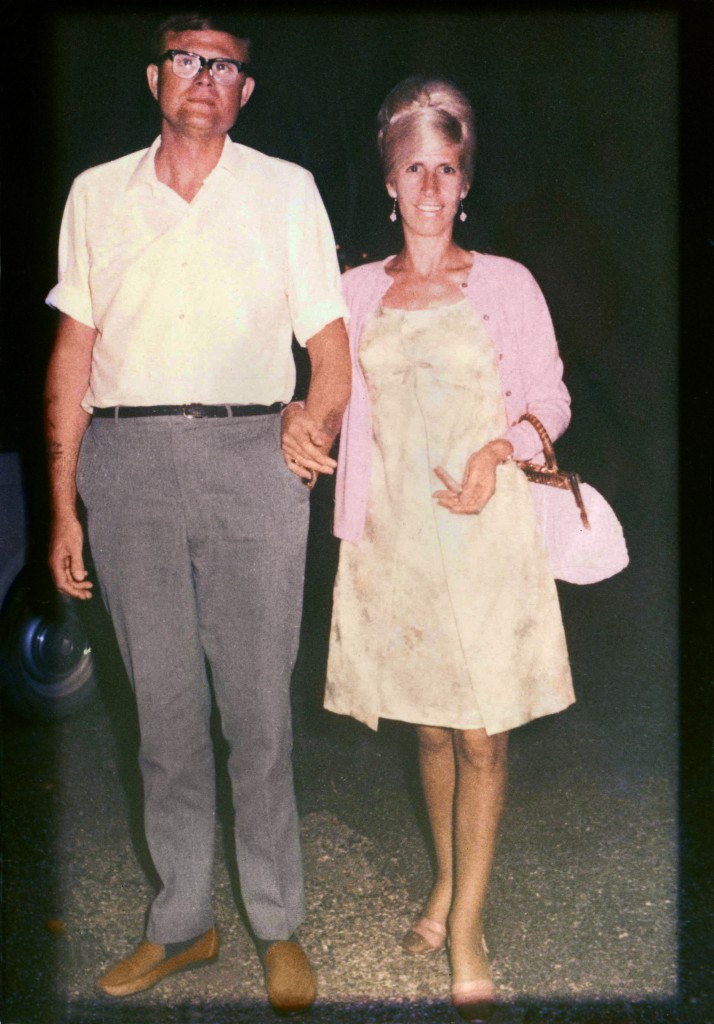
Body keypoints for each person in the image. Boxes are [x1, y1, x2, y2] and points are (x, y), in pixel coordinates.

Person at [44, 12, 350, 1014]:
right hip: (125, 462)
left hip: (251, 454)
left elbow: (331, 343)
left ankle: (276, 921)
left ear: (245, 92)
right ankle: (183, 921)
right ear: (155, 76)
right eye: (189, 59)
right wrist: (61, 502)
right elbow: (74, 354)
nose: (207, 77)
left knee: (258, 713)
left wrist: (319, 415)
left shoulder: (285, 191)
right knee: (163, 718)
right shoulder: (96, 195)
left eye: (227, 66)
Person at [321, 76, 575, 1021]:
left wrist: (498, 447)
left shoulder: (506, 283)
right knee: (428, 727)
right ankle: (443, 882)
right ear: (389, 182)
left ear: (466, 183)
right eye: (413, 168)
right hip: (396, 545)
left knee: (482, 734)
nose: (430, 186)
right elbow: (327, 400)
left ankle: (467, 927)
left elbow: (551, 396)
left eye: (448, 169)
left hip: (488, 534)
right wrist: (299, 428)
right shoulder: (351, 292)